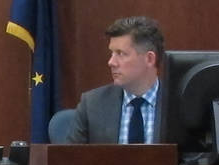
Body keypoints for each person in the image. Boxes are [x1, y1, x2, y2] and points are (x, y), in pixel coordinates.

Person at [68, 13, 170, 143]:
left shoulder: (178, 105)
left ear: (149, 59)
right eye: (112, 53)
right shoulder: (93, 104)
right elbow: (70, 160)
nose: (111, 62)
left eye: (121, 54)